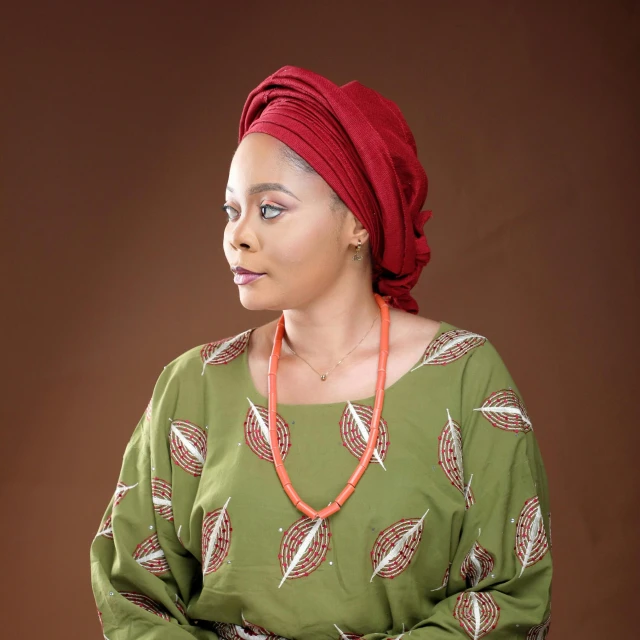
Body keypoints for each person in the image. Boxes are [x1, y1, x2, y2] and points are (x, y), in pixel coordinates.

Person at [90, 65, 552, 640]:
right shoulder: (194, 386)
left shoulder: (465, 379)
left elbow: (510, 596)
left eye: (270, 208)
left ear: (358, 220)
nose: (239, 236)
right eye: (231, 210)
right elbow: (133, 590)